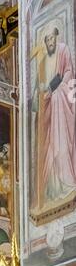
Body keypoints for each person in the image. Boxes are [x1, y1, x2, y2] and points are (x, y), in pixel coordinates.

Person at [32, 26, 76, 209]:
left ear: (56, 38)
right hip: (48, 111)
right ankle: (53, 189)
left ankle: (67, 182)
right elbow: (36, 92)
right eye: (47, 40)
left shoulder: (64, 50)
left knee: (61, 145)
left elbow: (68, 73)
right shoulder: (42, 62)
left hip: (61, 104)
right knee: (49, 147)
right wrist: (41, 91)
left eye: (51, 39)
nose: (49, 43)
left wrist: (54, 89)